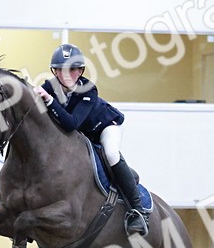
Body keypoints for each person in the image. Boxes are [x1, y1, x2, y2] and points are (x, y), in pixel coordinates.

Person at [34, 44, 149, 237]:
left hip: (104, 127)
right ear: (54, 71)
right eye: (61, 70)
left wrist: (50, 101)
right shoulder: (49, 88)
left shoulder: (88, 89)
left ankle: (138, 210)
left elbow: (72, 123)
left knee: (110, 153)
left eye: (73, 69)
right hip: (81, 135)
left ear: (80, 71)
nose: (67, 74)